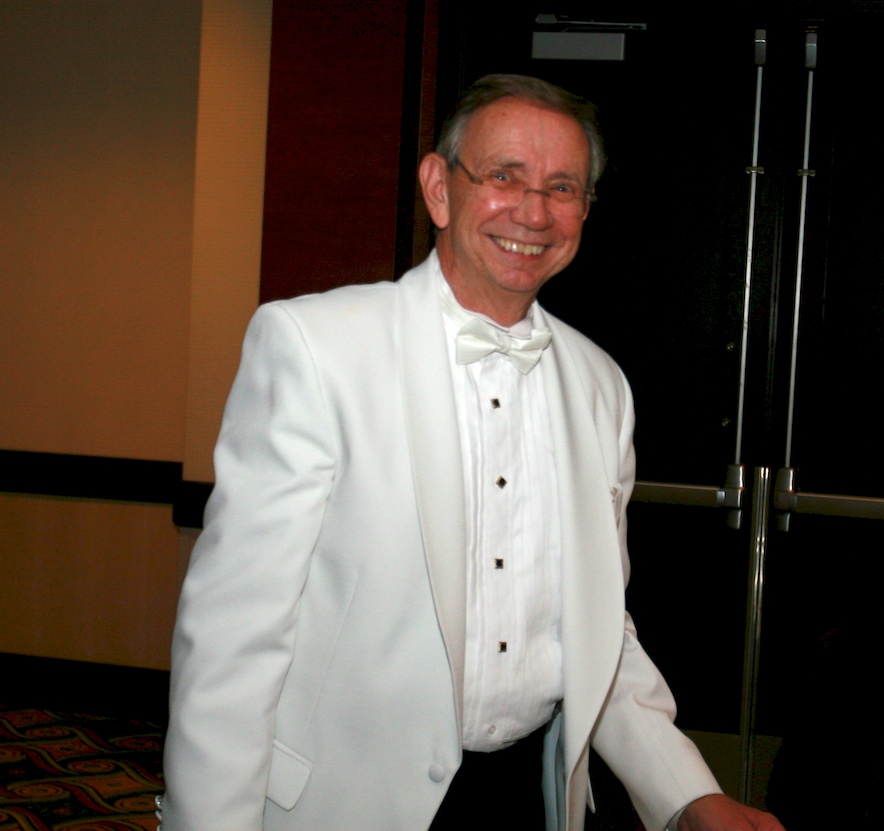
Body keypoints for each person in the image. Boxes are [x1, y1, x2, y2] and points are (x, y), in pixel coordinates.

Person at [160, 74, 785, 831]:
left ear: (585, 210)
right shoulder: (316, 348)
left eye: (563, 187)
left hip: (529, 796)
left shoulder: (601, 387)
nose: (534, 211)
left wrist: (689, 792)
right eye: (504, 177)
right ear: (438, 187)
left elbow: (597, 630)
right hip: (342, 804)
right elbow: (234, 637)